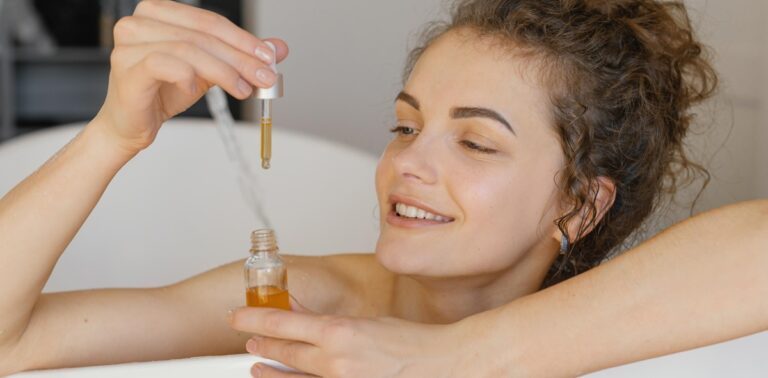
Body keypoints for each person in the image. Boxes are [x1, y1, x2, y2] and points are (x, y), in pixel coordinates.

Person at [0, 0, 765, 377]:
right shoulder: (305, 301)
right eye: (405, 126)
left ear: (580, 204)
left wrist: (448, 358)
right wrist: (113, 136)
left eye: (475, 141)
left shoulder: (622, 329)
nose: (407, 166)